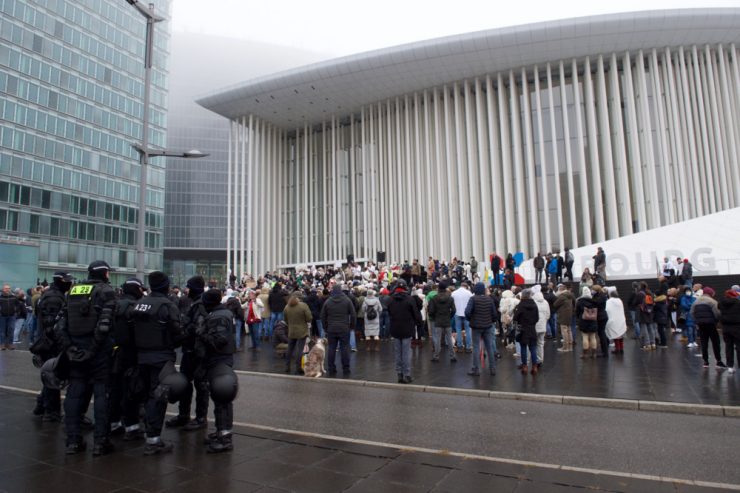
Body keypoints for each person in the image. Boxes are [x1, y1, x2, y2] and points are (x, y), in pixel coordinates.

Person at [54, 260, 117, 456]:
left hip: (75, 350)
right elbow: (104, 326)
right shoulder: (106, 291)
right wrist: (92, 349)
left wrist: (71, 349)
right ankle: (101, 441)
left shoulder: (73, 290)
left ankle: (73, 440)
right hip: (97, 351)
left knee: (74, 393)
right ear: (104, 274)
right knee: (101, 395)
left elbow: (60, 325)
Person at [131, 271, 185, 456]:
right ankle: (153, 440)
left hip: (140, 355)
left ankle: (145, 431)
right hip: (161, 357)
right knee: (158, 397)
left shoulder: (139, 304)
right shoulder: (167, 305)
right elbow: (177, 334)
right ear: (165, 285)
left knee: (145, 395)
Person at [166, 276, 209, 431]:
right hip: (189, 350)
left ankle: (200, 418)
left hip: (198, 352)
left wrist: (182, 333)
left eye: (189, 287)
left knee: (200, 385)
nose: (186, 290)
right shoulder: (193, 302)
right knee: (185, 384)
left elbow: (197, 328)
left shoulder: (201, 304)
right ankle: (183, 415)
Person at [30, 272, 73, 422]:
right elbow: (52, 325)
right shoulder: (54, 298)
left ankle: (41, 405)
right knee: (52, 377)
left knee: (50, 376)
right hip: (51, 344)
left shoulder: (51, 295)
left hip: (48, 342)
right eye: (67, 281)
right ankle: (51, 412)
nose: (70, 283)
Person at [198, 289, 237, 453]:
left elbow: (219, 340)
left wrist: (201, 334)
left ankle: (225, 437)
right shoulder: (222, 313)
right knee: (218, 396)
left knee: (222, 396)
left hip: (219, 359)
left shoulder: (219, 316)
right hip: (218, 359)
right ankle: (221, 431)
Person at [108, 277, 146, 441]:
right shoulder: (136, 307)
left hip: (112, 353)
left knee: (114, 389)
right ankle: (132, 426)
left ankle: (113, 422)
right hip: (130, 353)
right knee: (131, 390)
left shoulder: (113, 304)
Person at [387, 279, 422, 383]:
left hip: (395, 328)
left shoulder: (391, 299)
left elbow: (389, 312)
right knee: (406, 353)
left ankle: (399, 374)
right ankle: (407, 375)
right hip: (407, 328)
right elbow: (416, 313)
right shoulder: (409, 299)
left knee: (398, 352)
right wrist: (418, 323)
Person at [320, 284, 356, 375]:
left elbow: (323, 316)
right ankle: (346, 369)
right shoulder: (347, 300)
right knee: (344, 348)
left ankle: (331, 369)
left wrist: (325, 327)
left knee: (331, 348)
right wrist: (352, 326)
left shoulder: (328, 301)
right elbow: (353, 314)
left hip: (331, 328)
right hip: (344, 328)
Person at [464, 282, 498, 376]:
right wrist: (491, 321)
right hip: (487, 326)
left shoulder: (473, 299)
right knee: (489, 347)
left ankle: (476, 369)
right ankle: (492, 368)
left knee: (476, 347)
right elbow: (494, 314)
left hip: (476, 326)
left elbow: (467, 312)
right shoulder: (489, 299)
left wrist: (470, 319)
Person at [691, 287, 726, 369]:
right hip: (711, 324)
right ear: (710, 293)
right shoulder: (712, 301)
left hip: (701, 325)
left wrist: (697, 321)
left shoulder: (696, 301)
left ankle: (705, 361)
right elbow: (717, 313)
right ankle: (718, 361)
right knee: (715, 342)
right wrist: (716, 321)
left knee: (704, 342)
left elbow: (692, 313)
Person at [283, 293, 312, 374]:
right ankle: (298, 368)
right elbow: (309, 318)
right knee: (299, 350)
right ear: (299, 298)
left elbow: (285, 319)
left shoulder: (287, 307)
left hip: (291, 331)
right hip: (302, 331)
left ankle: (287, 366)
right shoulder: (303, 306)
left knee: (290, 349)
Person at [428, 281, 456, 363]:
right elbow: (454, 310)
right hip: (447, 320)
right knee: (449, 339)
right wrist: (449, 316)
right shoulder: (450, 298)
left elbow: (431, 311)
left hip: (438, 321)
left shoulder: (434, 298)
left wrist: (435, 317)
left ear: (439, 288)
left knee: (437, 339)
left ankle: (436, 356)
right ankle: (452, 356)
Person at [513, 289, 539, 375]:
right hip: (532, 328)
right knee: (533, 348)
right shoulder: (534, 304)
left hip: (523, 329)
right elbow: (537, 318)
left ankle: (525, 366)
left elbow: (515, 317)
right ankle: (534, 366)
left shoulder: (520, 305)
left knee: (523, 348)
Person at [718, 289, 740, 374]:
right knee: (739, 347)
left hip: (726, 328)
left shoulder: (721, 304)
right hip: (737, 327)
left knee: (728, 347)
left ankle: (730, 366)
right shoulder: (738, 303)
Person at [575, 287, 599, 359]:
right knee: (593, 336)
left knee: (585, 336)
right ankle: (594, 353)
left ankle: (585, 354)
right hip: (593, 321)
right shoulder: (594, 301)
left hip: (583, 321)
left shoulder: (580, 302)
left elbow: (577, 312)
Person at [451, 282, 473, 353]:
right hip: (466, 314)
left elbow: (452, 303)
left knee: (458, 330)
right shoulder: (469, 293)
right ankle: (468, 347)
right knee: (468, 330)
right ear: (466, 287)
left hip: (457, 313)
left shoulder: (454, 293)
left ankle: (459, 346)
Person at [553, 284, 575, 352]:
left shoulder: (562, 296)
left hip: (563, 315)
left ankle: (565, 347)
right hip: (569, 314)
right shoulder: (571, 295)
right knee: (569, 330)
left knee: (564, 330)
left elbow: (555, 304)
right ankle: (570, 346)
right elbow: (574, 303)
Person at [605, 288, 627, 354]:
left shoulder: (609, 301)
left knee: (615, 335)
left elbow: (607, 309)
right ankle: (621, 348)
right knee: (621, 335)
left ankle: (617, 349)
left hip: (613, 319)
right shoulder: (620, 300)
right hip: (621, 319)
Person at [533, 288, 550, 366]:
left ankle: (534, 359)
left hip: (535, 326)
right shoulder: (545, 302)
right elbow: (548, 315)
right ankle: (540, 359)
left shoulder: (533, 303)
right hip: (543, 326)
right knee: (541, 343)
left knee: (533, 344)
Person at [638, 282, 657, 350]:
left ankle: (647, 344)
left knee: (644, 329)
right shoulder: (650, 293)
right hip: (650, 313)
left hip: (643, 313)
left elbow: (637, 303)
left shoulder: (640, 294)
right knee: (651, 328)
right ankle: (653, 343)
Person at [591, 285, 609, 358]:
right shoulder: (600, 295)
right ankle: (606, 344)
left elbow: (596, 302)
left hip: (601, 316)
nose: (592, 291)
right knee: (601, 332)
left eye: (593, 290)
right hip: (601, 316)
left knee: (601, 333)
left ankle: (605, 352)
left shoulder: (601, 296)